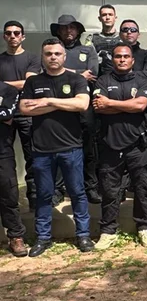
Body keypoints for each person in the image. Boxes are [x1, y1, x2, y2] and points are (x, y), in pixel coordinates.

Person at [20, 38, 94, 257]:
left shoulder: (76, 79)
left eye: (57, 54)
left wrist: (47, 102)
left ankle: (83, 235)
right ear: (43, 57)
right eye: (48, 53)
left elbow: (81, 104)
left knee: (77, 193)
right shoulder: (33, 83)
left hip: (71, 147)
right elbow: (25, 108)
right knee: (44, 194)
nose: (53, 57)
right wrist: (62, 104)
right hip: (42, 149)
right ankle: (43, 238)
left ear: (64, 56)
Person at [92, 43, 147, 249]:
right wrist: (128, 107)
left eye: (125, 56)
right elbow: (98, 107)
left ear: (132, 60)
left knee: (142, 189)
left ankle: (144, 228)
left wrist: (111, 104)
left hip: (137, 145)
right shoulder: (103, 80)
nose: (121, 59)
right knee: (110, 191)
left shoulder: (142, 80)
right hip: (110, 144)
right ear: (112, 59)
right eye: (118, 56)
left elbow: (140, 105)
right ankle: (108, 231)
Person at [50, 14, 100, 204]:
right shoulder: (53, 52)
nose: (68, 31)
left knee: (88, 148)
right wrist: (79, 73)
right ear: (58, 31)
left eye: (72, 27)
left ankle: (90, 187)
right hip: (60, 107)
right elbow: (51, 70)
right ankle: (58, 189)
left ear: (78, 30)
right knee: (60, 149)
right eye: (64, 28)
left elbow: (93, 73)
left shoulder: (88, 50)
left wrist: (64, 71)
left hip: (84, 106)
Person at [1, 20, 41, 210]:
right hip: (4, 116)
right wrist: (16, 83)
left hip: (27, 112)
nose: (13, 36)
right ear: (4, 36)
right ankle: (10, 201)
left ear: (23, 36)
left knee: (32, 156)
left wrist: (3, 84)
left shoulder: (32, 58)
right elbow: (22, 83)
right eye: (9, 33)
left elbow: (29, 83)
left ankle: (34, 199)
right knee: (5, 160)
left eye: (17, 33)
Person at [0, 80, 28, 256]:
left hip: (2, 152)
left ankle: (15, 236)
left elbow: (6, 114)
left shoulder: (8, 90)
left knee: (8, 193)